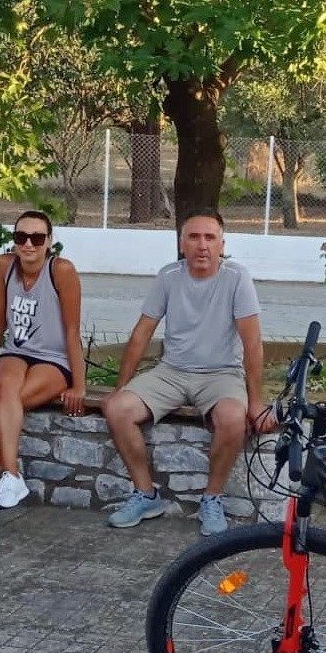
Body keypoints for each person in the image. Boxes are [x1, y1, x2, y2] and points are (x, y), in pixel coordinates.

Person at [102, 208, 274, 536]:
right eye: (194, 237)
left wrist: (255, 402)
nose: (202, 245)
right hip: (172, 371)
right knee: (117, 408)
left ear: (222, 244)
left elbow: (252, 344)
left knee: (232, 418)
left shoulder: (237, 278)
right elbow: (142, 332)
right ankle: (145, 494)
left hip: (222, 373)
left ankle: (212, 498)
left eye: (210, 237)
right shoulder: (169, 276)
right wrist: (121, 387)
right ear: (182, 244)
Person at [0, 211, 86, 530]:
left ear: (49, 242)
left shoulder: (61, 270)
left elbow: (72, 331)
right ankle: (11, 475)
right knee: (4, 386)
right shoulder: (4, 266)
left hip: (53, 359)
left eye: (37, 238)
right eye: (21, 237)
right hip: (16, 352)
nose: (29, 244)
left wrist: (79, 385)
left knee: (3, 407)